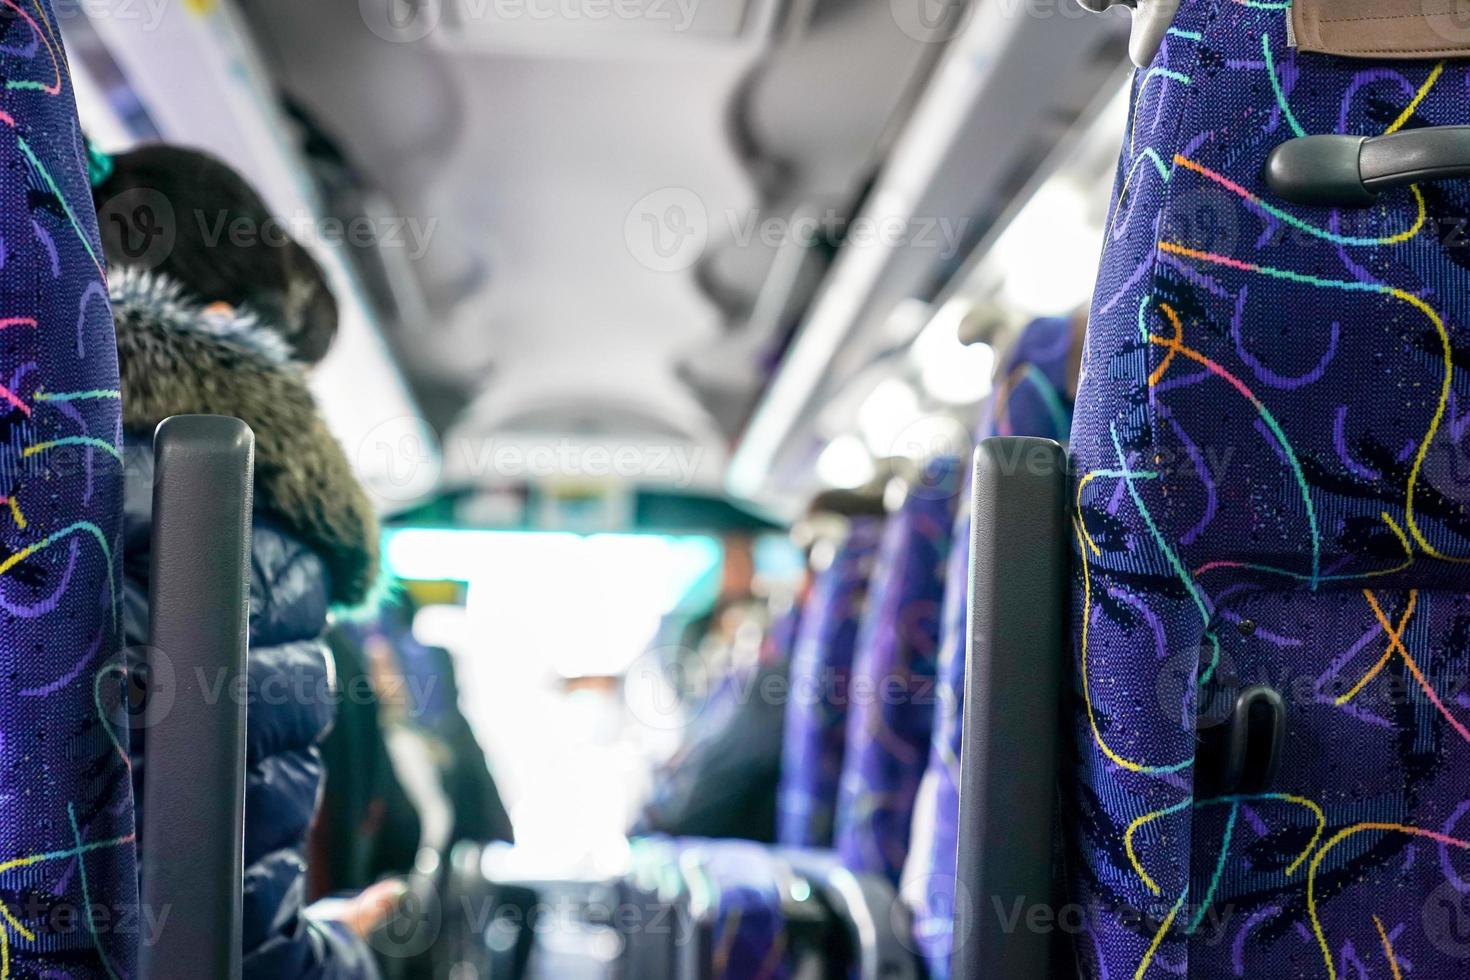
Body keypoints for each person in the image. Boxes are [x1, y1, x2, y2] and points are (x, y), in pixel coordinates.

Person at [95, 142, 396, 978]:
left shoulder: (36, 477)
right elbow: (236, 950)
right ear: (226, 332)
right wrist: (351, 949)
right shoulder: (245, 542)